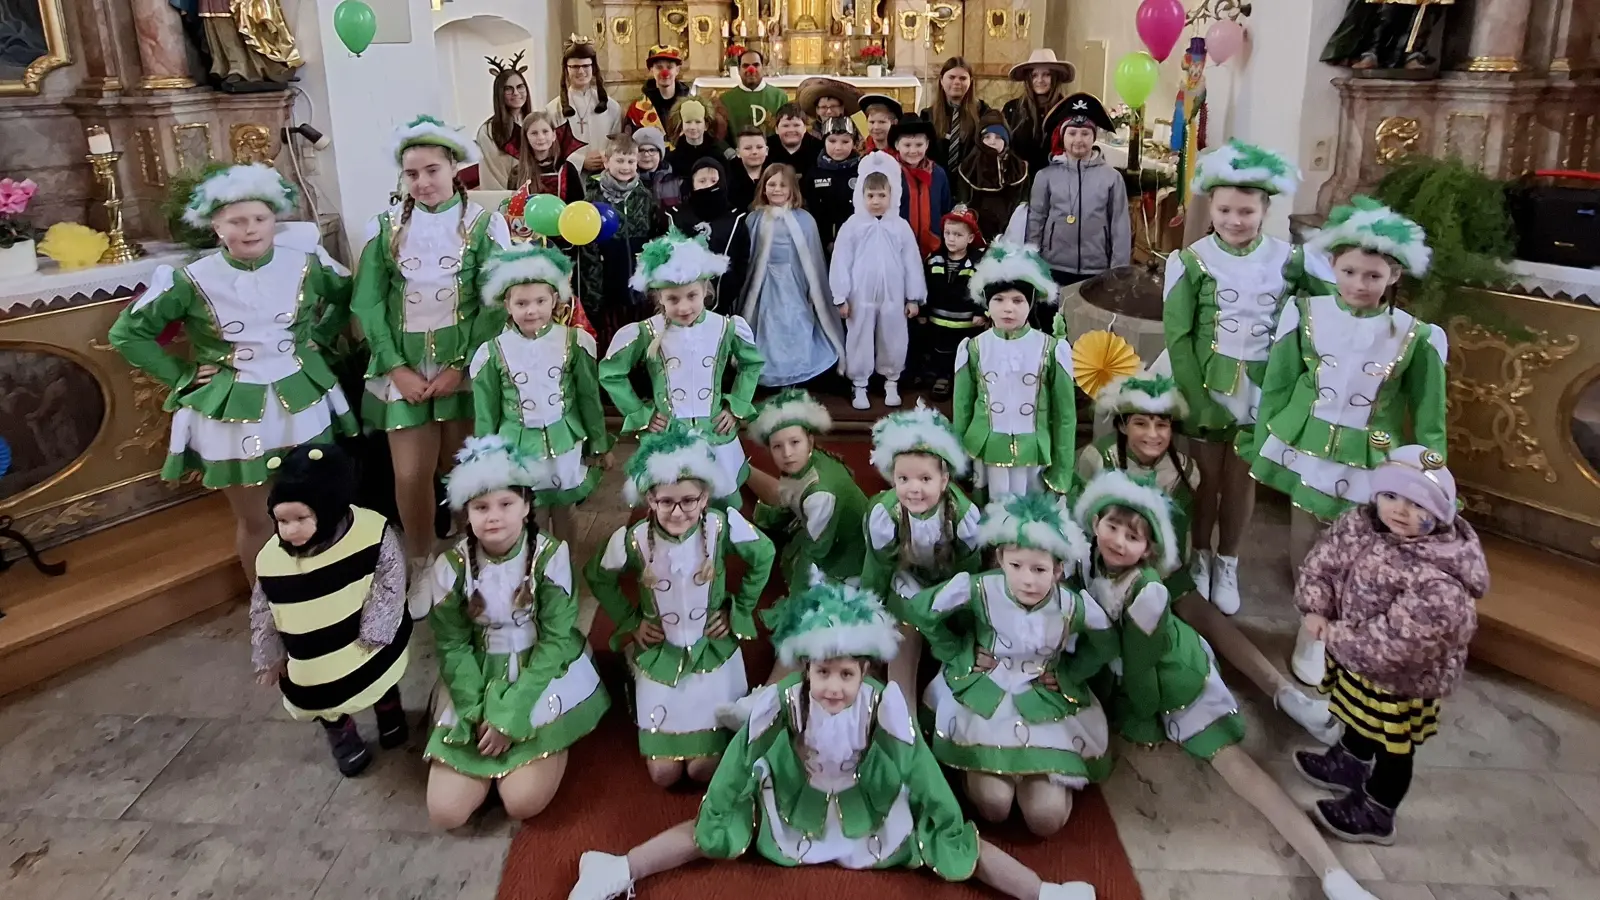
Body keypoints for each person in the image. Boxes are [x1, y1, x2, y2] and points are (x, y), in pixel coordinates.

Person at [565, 575, 1100, 900]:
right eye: (823, 674)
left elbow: (918, 769)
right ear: (806, 668)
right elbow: (741, 759)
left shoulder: (880, 704)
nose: (834, 687)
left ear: (865, 669)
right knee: (708, 832)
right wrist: (719, 812)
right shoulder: (782, 701)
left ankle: (1043, 892)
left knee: (957, 844)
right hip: (794, 794)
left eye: (846, 675)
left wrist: (947, 822)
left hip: (867, 797)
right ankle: (619, 867)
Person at [1075, 471, 1386, 900]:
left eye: (1132, 536)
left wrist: (1140, 715)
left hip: (1176, 681)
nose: (1117, 541)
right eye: (1112, 527)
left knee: (1238, 767)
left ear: (1149, 549)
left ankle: (1333, 874)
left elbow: (1143, 670)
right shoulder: (1089, 559)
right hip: (1132, 668)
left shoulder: (1147, 593)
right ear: (1095, 522)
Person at [108, 164, 355, 583]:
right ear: (216, 226)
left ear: (275, 220)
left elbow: (346, 294)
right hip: (234, 414)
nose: (250, 228)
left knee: (316, 505)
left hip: (302, 402)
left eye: (260, 218)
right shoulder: (191, 280)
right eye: (237, 220)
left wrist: (318, 337)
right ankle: (267, 605)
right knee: (258, 519)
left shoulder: (305, 264)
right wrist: (182, 374)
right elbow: (127, 333)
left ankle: (323, 593)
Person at [1246, 196, 1448, 687]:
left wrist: (1432, 473)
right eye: (1350, 271)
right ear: (1333, 265)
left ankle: (1348, 625)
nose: (1359, 284)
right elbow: (1279, 383)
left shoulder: (1416, 336)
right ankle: (1311, 626)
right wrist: (1264, 438)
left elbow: (1429, 414)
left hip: (1371, 455)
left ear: (1394, 275)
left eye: (1373, 275)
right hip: (1308, 444)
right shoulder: (1305, 314)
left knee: (1360, 541)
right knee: (1306, 537)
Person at [1079, 366, 1339, 744]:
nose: (1152, 434)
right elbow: (1082, 521)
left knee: (1212, 621)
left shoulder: (1184, 470)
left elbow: (1178, 533)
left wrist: (1159, 575)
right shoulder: (1098, 458)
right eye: (1141, 423)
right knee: (1157, 644)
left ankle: (1287, 695)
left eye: (1162, 425)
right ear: (1122, 425)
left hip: (1158, 568)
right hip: (1103, 567)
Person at [1163, 140, 1329, 616]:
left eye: (1246, 211)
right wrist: (1194, 397)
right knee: (1203, 479)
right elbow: (1179, 336)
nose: (1235, 220)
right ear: (1211, 208)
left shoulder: (1289, 259)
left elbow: (1329, 307)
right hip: (1207, 386)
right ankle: (1199, 554)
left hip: (1264, 391)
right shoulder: (1192, 260)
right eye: (1224, 210)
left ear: (1265, 210)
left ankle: (1228, 560)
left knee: (1242, 479)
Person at [1292, 445, 1486, 845]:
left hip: (1401, 681)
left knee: (1393, 745)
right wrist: (1316, 606)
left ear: (1440, 513)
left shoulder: (1440, 579)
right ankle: (1350, 760)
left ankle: (1378, 809)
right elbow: (1323, 564)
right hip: (1358, 658)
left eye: (1417, 504)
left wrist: (1336, 634)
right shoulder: (1360, 525)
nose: (1401, 510)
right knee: (1359, 716)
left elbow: (1402, 643)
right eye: (1391, 495)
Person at [419, 435, 609, 827]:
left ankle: (534, 746)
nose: (493, 516)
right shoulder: (451, 567)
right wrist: (477, 712)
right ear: (466, 513)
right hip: (477, 672)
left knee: (522, 803)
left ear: (526, 506)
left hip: (540, 670)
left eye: (505, 504)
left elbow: (556, 638)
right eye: (481, 507)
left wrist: (510, 714)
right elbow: (452, 644)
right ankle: (490, 757)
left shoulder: (550, 557)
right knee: (446, 812)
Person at [353, 117, 514, 575]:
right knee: (409, 473)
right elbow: (368, 303)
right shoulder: (385, 229)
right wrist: (396, 367)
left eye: (432, 170)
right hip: (403, 367)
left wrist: (460, 366)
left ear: (454, 168)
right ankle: (421, 562)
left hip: (463, 365)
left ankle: (474, 554)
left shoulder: (485, 225)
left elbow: (496, 301)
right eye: (412, 173)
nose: (422, 182)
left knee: (465, 468)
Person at [584, 421, 776, 786]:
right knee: (664, 774)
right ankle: (638, 679)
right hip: (662, 652)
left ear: (705, 497)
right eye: (666, 501)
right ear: (650, 499)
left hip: (710, 649)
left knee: (703, 770)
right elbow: (598, 576)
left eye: (689, 500)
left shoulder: (721, 526)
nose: (677, 511)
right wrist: (630, 620)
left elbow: (763, 555)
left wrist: (738, 609)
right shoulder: (634, 539)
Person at [912, 492, 1115, 836]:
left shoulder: (1070, 605)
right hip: (986, 692)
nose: (1027, 580)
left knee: (1045, 819)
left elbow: (1106, 643)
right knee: (994, 806)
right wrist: (959, 653)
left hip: (1045, 697)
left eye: (1040, 569)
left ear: (1059, 569)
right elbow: (922, 610)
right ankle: (982, 770)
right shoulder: (982, 588)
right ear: (1000, 559)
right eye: (1016, 566)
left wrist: (1071, 673)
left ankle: (1038, 776)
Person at [252, 444, 408, 777]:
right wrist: (269, 655)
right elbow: (263, 609)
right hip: (312, 650)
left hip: (366, 635)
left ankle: (389, 708)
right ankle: (341, 733)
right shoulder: (271, 559)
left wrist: (377, 629)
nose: (290, 530)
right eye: (282, 520)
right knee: (323, 694)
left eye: (300, 519)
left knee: (379, 676)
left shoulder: (372, 533)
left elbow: (390, 581)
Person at [601, 229, 764, 502]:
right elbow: (611, 373)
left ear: (705, 290)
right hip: (669, 435)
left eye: (692, 296)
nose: (684, 307)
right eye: (673, 299)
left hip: (715, 432)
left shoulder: (725, 327)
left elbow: (751, 364)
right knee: (675, 502)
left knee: (725, 501)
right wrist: (639, 413)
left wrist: (736, 405)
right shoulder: (647, 332)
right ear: (659, 298)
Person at [471, 244, 614, 542]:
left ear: (554, 300)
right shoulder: (492, 352)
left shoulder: (574, 342)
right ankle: (537, 564)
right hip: (517, 446)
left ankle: (565, 562)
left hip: (565, 441)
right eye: (521, 303)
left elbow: (589, 398)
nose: (531, 310)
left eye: (540, 301)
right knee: (528, 511)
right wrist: (486, 458)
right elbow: (486, 412)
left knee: (565, 509)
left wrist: (599, 443)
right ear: (507, 305)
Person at [860, 401, 981, 699]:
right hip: (908, 579)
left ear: (944, 480)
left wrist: (966, 616)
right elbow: (877, 567)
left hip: (949, 582)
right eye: (904, 479)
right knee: (906, 616)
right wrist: (868, 611)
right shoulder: (885, 515)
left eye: (925, 479)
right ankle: (900, 697)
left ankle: (953, 675)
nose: (914, 489)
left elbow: (969, 570)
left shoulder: (963, 515)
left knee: (953, 616)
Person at [952, 240, 1075, 500]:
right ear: (987, 303)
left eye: (1018, 300)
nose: (1008, 308)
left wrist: (1062, 468)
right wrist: (959, 457)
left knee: (1027, 514)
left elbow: (1065, 415)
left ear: (1031, 303)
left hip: (1033, 452)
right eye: (999, 299)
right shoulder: (973, 348)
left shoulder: (1052, 349)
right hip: (985, 449)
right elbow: (962, 407)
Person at [746, 388, 870, 591]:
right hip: (824, 525)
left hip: (848, 554)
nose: (787, 453)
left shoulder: (819, 493)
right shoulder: (809, 460)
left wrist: (799, 588)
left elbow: (817, 547)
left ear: (810, 441)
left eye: (795, 442)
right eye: (777, 446)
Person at [830, 152, 927, 410]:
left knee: (894, 336)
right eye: (870, 195)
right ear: (860, 196)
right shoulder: (852, 225)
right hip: (859, 296)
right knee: (858, 335)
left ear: (892, 195)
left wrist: (913, 297)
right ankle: (859, 383)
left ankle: (891, 381)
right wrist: (840, 296)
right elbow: (841, 261)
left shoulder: (900, 226)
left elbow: (912, 262)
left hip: (894, 295)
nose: (876, 201)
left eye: (882, 195)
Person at [740, 163, 847, 387]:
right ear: (763, 188)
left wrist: (811, 288)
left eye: (783, 185)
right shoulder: (754, 219)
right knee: (768, 325)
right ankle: (770, 372)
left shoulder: (805, 220)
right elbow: (749, 258)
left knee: (796, 321)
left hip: (794, 282)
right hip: (765, 283)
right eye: (771, 184)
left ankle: (797, 370)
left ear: (792, 190)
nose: (777, 189)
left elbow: (813, 258)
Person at [1026, 93, 1130, 300]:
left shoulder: (1112, 178)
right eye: (1072, 133)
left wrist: (1118, 272)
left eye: (1085, 133)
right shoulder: (1045, 177)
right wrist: (1031, 262)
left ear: (1094, 137)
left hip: (1097, 269)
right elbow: (1036, 221)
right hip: (1053, 266)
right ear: (1062, 136)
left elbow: (1120, 227)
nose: (1078, 140)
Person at [579, 134, 665, 352]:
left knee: (642, 344)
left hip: (639, 291)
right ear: (607, 162)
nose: (625, 167)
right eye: (620, 160)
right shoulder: (592, 199)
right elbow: (587, 252)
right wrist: (593, 296)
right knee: (612, 345)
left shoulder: (645, 197)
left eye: (630, 161)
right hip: (607, 292)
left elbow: (656, 238)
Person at [918, 206, 985, 399]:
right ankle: (943, 377)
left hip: (966, 322)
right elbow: (925, 286)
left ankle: (965, 382)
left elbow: (984, 289)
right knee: (940, 351)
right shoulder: (934, 259)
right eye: (947, 233)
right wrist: (923, 311)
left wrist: (981, 312)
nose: (951, 238)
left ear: (970, 238)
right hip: (938, 319)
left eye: (957, 234)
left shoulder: (978, 263)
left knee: (964, 352)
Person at [668, 158, 752, 311]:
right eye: (702, 181)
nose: (708, 185)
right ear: (692, 184)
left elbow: (742, 260)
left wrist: (730, 289)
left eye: (713, 180)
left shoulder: (735, 218)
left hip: (722, 301)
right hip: (680, 304)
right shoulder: (675, 216)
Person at [548, 37, 622, 175]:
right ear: (566, 69)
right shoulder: (553, 110)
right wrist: (580, 161)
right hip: (571, 177)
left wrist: (604, 156)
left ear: (593, 68)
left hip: (606, 175)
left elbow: (618, 142)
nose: (581, 71)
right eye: (575, 67)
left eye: (586, 66)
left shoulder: (612, 107)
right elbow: (551, 147)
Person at [921, 57, 990, 195]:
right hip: (936, 185)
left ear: (971, 81)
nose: (957, 82)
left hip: (971, 185)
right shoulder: (928, 116)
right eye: (951, 77)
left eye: (963, 78)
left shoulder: (983, 113)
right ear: (941, 80)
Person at [959, 114, 1030, 245]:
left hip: (1011, 233)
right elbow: (964, 201)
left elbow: (1022, 202)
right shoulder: (969, 167)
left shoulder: (1018, 168)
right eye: (987, 137)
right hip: (977, 233)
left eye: (998, 137)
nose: (992, 142)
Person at [1003, 49, 1074, 180]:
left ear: (1055, 77)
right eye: (1034, 75)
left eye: (1046, 74)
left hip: (1057, 182)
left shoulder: (1067, 110)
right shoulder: (1012, 109)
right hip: (1020, 182)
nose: (1039, 80)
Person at [892, 114, 954, 257]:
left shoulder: (938, 174)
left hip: (933, 250)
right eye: (907, 145)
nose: (913, 151)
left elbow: (945, 209)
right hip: (897, 249)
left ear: (927, 144)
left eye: (919, 145)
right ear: (897, 145)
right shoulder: (889, 173)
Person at [476, 53, 534, 190]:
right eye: (508, 89)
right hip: (507, 195)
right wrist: (513, 195)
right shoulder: (488, 131)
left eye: (520, 86)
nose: (516, 93)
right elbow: (493, 174)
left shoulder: (534, 123)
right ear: (499, 93)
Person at [802, 116, 862, 248]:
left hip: (858, 241)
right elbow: (807, 210)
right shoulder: (814, 172)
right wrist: (826, 240)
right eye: (832, 141)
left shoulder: (862, 170)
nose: (838, 147)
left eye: (845, 141)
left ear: (854, 143)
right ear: (824, 141)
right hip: (820, 243)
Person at [512, 112, 583, 205]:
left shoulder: (568, 170)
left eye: (545, 131)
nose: (541, 137)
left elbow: (578, 206)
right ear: (526, 138)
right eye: (534, 133)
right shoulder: (517, 172)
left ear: (554, 135)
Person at [719, 48, 788, 135]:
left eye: (756, 65)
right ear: (739, 70)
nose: (751, 69)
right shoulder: (725, 100)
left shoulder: (780, 97)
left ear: (763, 68)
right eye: (745, 66)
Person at [627, 45, 692, 133]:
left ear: (677, 70)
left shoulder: (691, 103)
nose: (664, 73)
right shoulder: (637, 108)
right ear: (651, 70)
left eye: (669, 67)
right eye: (659, 67)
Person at [665, 99, 731, 176]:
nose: (693, 127)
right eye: (688, 122)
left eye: (698, 122)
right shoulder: (672, 159)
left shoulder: (718, 156)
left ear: (706, 126)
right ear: (681, 126)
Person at [766, 103, 826, 177]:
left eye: (796, 125)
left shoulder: (819, 149)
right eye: (785, 125)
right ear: (776, 129)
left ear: (804, 128)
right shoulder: (765, 148)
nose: (791, 130)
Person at [634, 127, 684, 213]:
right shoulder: (627, 181)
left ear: (660, 153)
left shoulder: (675, 182)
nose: (646, 155)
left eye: (652, 150)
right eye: (641, 150)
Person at [796, 76, 862, 132]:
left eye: (833, 106)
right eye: (823, 107)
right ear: (817, 110)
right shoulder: (808, 134)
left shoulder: (853, 132)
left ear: (842, 108)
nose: (829, 111)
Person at [728, 126, 769, 211]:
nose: (754, 152)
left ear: (767, 150)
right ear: (738, 153)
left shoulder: (776, 175)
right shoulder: (727, 178)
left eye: (759, 147)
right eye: (748, 148)